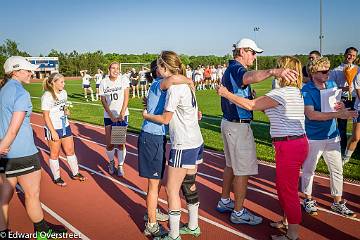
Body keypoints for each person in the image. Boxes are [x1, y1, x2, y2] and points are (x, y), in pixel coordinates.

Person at [217, 56, 307, 240]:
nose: (277, 69)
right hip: (293, 144)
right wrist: (259, 100)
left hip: (289, 145)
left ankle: (292, 235)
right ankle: (287, 222)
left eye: (279, 67)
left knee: (287, 191)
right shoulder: (293, 91)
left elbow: (250, 105)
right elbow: (268, 109)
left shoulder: (281, 93)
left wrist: (226, 94)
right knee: (285, 188)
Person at [0, 56, 66, 239]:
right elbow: (14, 129)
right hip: (22, 152)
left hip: (5, 154)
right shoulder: (21, 94)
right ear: (15, 71)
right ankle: (43, 233)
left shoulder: (3, 90)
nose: (31, 73)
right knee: (32, 194)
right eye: (27, 70)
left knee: (4, 196)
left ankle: (3, 232)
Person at [142, 51, 203, 240]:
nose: (156, 69)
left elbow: (165, 119)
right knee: (189, 183)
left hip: (183, 143)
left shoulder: (176, 88)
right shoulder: (186, 85)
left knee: (171, 190)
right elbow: (196, 113)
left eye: (159, 66)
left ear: (164, 67)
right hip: (196, 140)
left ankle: (174, 234)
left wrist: (147, 115)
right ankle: (193, 226)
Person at [301, 57, 357, 218]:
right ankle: (308, 199)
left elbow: (337, 105)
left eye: (329, 70)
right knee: (309, 170)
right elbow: (311, 115)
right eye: (324, 71)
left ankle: (338, 202)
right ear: (313, 73)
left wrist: (341, 106)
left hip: (332, 136)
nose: (328, 73)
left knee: (337, 170)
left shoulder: (332, 85)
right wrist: (339, 113)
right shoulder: (306, 91)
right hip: (313, 137)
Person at [41, 73, 86, 186]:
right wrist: (52, 131)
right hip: (54, 127)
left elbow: (64, 106)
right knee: (55, 154)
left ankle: (75, 173)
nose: (64, 84)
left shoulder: (64, 93)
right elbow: (46, 115)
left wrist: (66, 111)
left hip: (65, 125)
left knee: (70, 150)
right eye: (61, 82)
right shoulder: (47, 96)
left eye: (64, 81)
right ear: (53, 83)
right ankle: (57, 178)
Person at [99, 62, 130, 177]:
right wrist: (110, 114)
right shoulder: (103, 82)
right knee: (110, 144)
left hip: (121, 115)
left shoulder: (123, 79)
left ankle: (120, 165)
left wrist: (122, 113)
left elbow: (126, 97)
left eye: (117, 68)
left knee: (120, 142)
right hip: (109, 116)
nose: (115, 70)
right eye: (113, 68)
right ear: (109, 69)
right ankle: (111, 162)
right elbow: (103, 100)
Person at [329, 47, 359, 155]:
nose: (351, 57)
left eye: (354, 55)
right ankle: (342, 148)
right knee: (342, 125)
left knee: (357, 124)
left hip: (356, 99)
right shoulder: (336, 70)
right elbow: (332, 87)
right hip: (343, 99)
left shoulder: (358, 69)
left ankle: (353, 147)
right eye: (349, 54)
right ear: (345, 54)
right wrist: (344, 88)